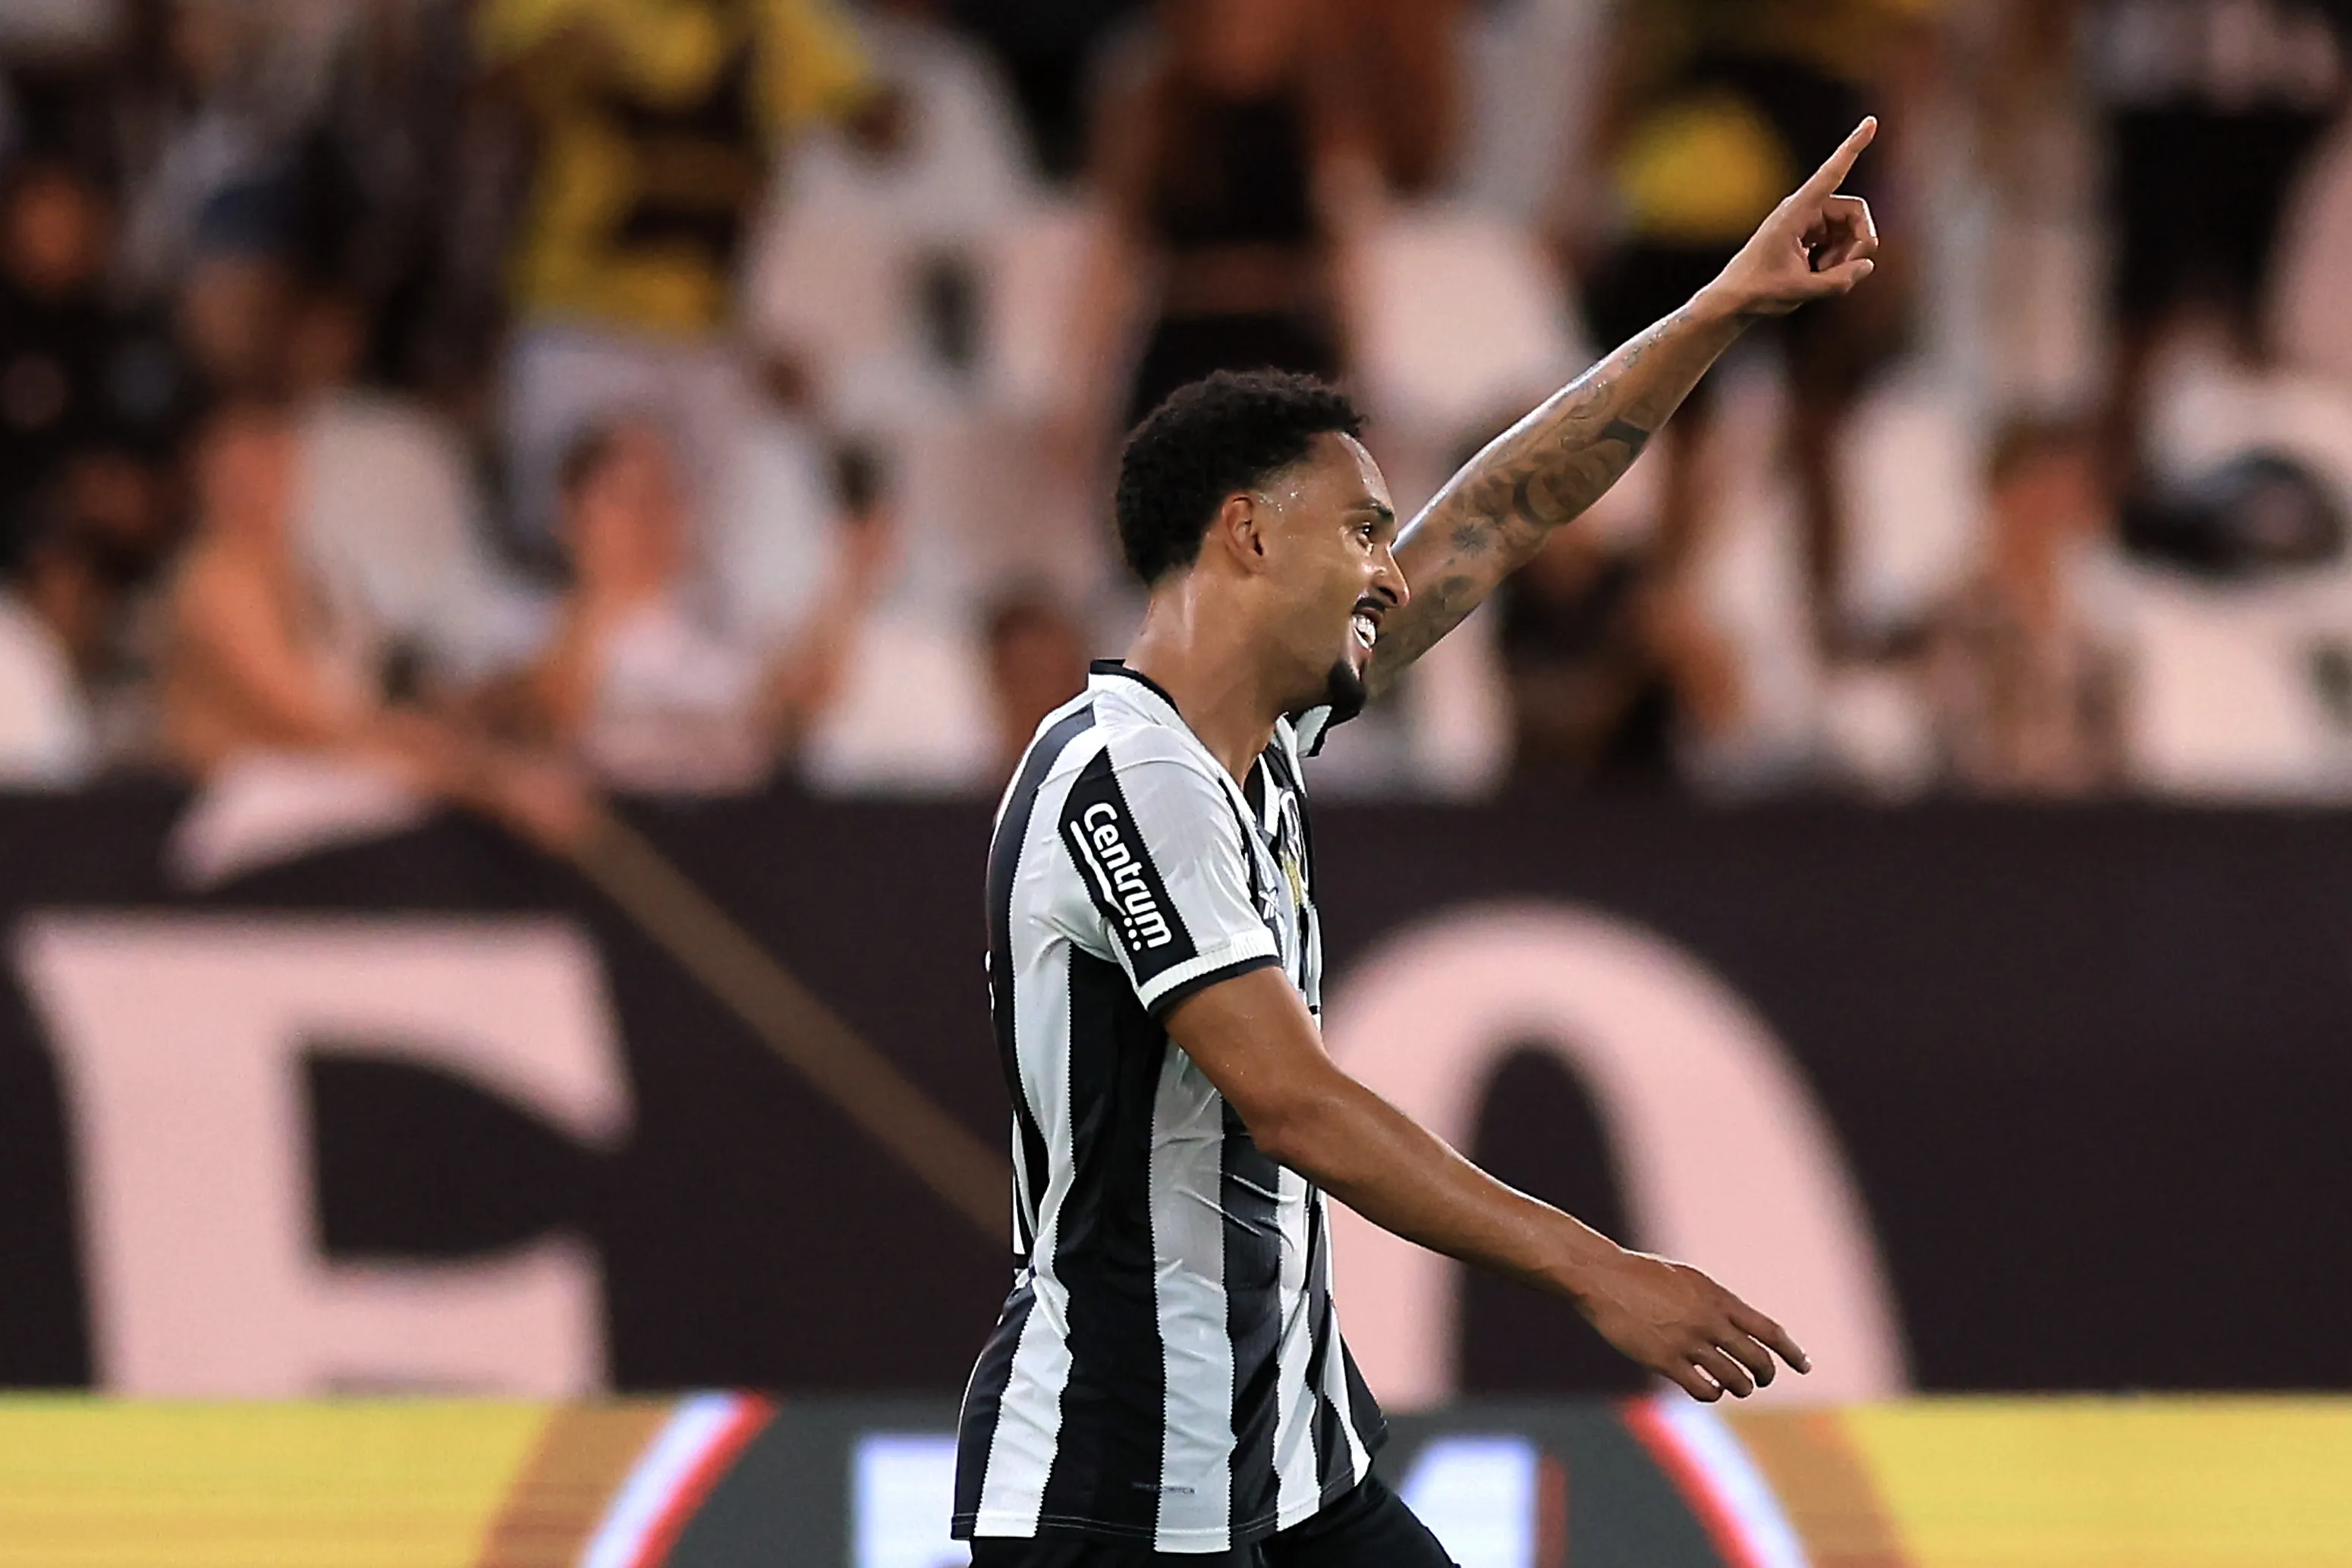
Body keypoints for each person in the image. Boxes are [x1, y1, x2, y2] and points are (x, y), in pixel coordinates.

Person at [955, 120, 1882, 1562]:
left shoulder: (1259, 740)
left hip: (1296, 1468)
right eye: (1362, 530)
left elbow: (1506, 511)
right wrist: (1598, 1271)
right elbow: (1296, 1105)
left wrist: (1715, 312)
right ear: (1249, 536)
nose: (1393, 566)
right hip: (1116, 1495)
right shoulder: (1121, 780)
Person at [1919, 416, 2127, 796]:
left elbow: (2112, 747)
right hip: (1997, 826)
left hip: (2085, 830)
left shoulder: (2093, 621)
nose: (2070, 499)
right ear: (2010, 492)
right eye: (2050, 486)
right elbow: (1965, 742)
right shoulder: (1963, 612)